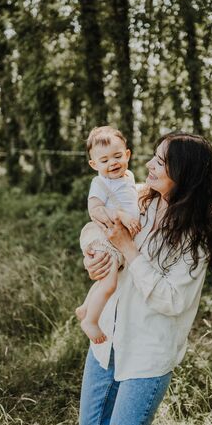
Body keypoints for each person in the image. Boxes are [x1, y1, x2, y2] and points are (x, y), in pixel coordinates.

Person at [79, 131, 212, 425]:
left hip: (147, 350)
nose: (149, 165)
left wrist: (127, 249)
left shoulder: (195, 237)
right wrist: (93, 251)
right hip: (108, 334)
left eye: (160, 162)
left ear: (183, 173)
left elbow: (173, 300)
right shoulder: (139, 197)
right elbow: (94, 225)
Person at [76, 126, 141, 344]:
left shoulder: (129, 177)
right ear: (94, 165)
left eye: (117, 156)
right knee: (110, 283)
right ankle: (90, 321)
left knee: (106, 278)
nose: (112, 163)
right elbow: (94, 210)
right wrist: (121, 215)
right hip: (103, 234)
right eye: (104, 160)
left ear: (128, 155)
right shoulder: (100, 182)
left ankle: (86, 307)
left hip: (116, 236)